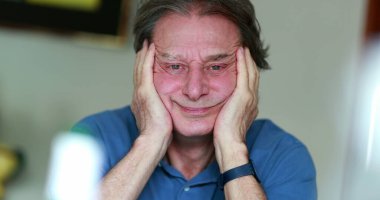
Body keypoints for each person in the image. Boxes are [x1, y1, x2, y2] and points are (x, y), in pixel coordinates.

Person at [72, 0, 317, 199]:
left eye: (217, 66)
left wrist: (231, 150)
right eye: (175, 65)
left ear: (249, 71)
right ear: (142, 68)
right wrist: (149, 143)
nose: (195, 90)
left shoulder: (284, 155)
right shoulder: (91, 138)